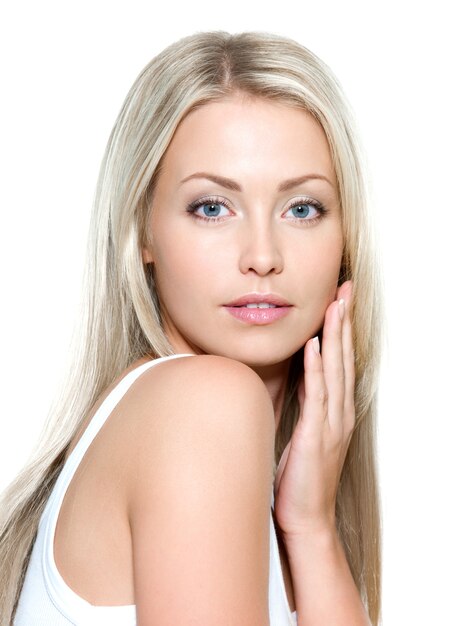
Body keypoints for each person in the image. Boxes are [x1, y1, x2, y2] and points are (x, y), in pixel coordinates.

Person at [0, 31, 383, 625]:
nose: (262, 254)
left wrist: (312, 527)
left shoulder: (261, 484)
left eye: (302, 208)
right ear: (144, 233)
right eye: (212, 207)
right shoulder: (202, 404)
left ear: (345, 241)